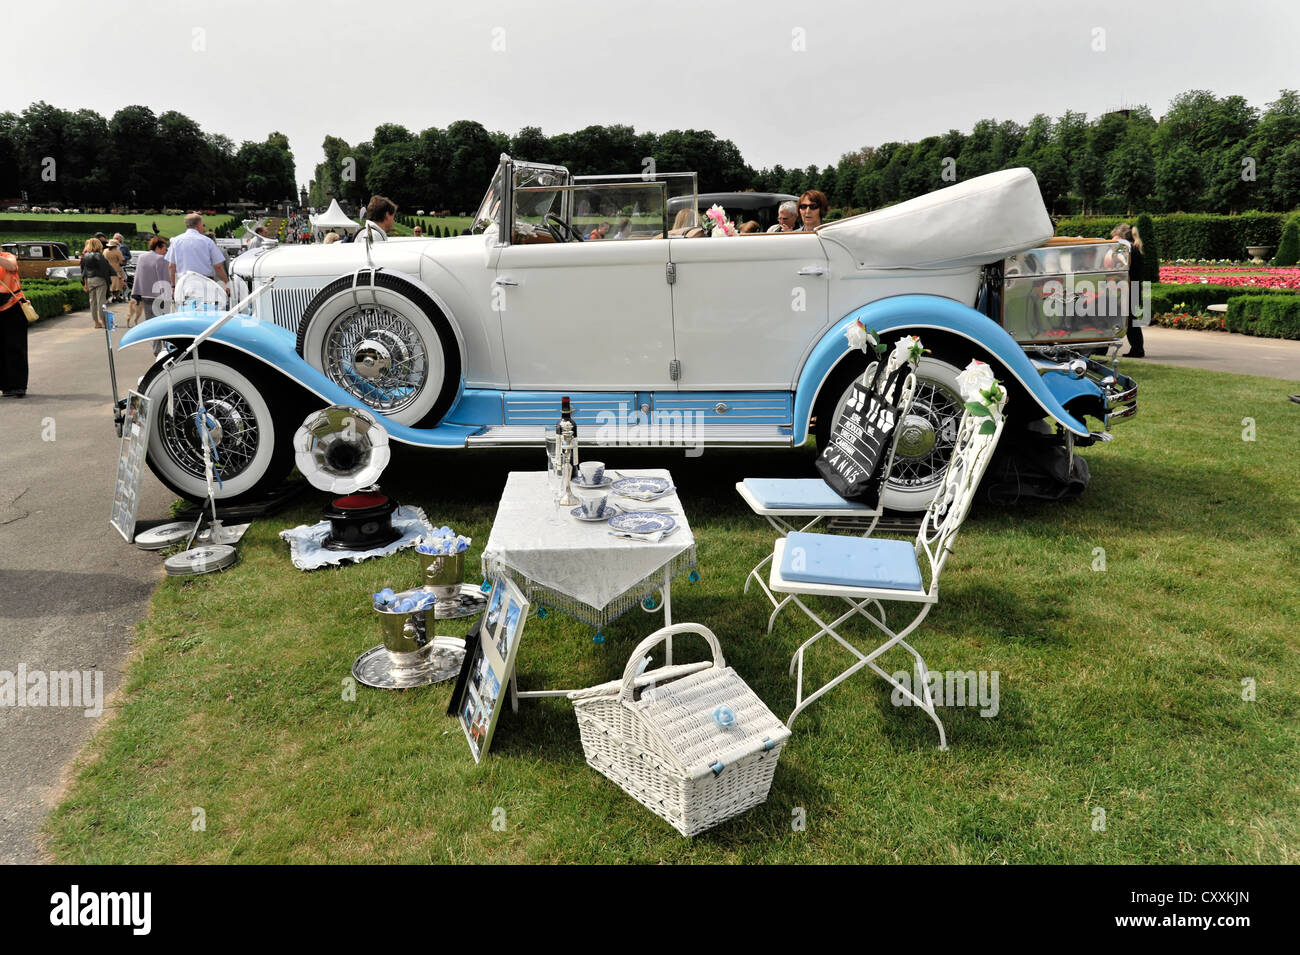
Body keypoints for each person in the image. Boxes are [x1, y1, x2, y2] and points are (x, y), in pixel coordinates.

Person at [166, 212, 230, 305]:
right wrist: (226, 283)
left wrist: (173, 286)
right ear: (199, 224)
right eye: (203, 225)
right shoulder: (207, 241)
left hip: (184, 285)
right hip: (205, 284)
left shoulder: (176, 241)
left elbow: (171, 266)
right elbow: (218, 267)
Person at [0, 248, 30, 398]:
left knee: (16, 347)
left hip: (13, 306)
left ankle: (18, 385)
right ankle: (5, 385)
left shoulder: (7, 256)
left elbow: (11, 267)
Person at [130, 235, 171, 324]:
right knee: (161, 322)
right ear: (158, 247)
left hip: (144, 294)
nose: (166, 251)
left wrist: (135, 291)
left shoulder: (141, 257)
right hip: (159, 295)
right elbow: (164, 278)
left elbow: (138, 275)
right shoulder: (161, 259)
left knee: (149, 321)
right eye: (165, 248)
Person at [80, 237, 113, 329]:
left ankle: (96, 322)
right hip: (100, 280)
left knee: (92, 302)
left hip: (89, 280)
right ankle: (104, 321)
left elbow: (83, 272)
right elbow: (106, 269)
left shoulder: (85, 256)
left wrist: (85, 284)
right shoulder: (99, 256)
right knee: (101, 301)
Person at [104, 238, 126, 303]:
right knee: (117, 285)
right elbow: (121, 262)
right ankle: (117, 297)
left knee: (111, 284)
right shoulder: (117, 252)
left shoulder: (105, 251)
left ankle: (113, 296)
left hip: (107, 270)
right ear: (115, 246)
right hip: (116, 270)